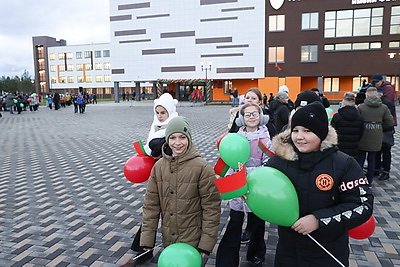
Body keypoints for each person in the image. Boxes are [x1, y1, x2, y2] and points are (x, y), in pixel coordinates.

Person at [266, 102, 374, 266]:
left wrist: (319, 220)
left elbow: (362, 205)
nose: (299, 136)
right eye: (295, 130)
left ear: (321, 133)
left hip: (327, 253)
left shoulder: (344, 164)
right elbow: (264, 190)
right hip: (288, 252)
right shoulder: (279, 162)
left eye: (307, 131)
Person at [140, 116, 222, 265]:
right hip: (169, 239)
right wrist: (147, 240)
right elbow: (151, 206)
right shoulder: (159, 167)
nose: (177, 143)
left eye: (182, 137)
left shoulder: (202, 168)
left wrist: (205, 245)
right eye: (172, 138)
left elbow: (212, 209)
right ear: (167, 140)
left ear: (189, 139)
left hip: (193, 242)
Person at [216, 103, 272, 267]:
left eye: (255, 113)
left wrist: (251, 173)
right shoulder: (236, 137)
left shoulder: (265, 139)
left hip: (256, 186)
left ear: (260, 116)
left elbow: (269, 163)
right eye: (247, 114)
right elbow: (228, 160)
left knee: (257, 222)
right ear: (242, 118)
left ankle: (256, 254)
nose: (252, 117)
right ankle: (227, 258)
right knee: (234, 221)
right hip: (238, 184)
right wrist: (230, 175)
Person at [357, 87, 393, 183]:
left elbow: (357, 122)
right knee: (372, 159)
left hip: (363, 136)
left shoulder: (361, 107)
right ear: (377, 95)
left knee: (361, 158)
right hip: (377, 135)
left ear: (367, 95)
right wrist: (380, 126)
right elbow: (390, 122)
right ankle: (369, 179)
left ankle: (359, 179)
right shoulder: (383, 107)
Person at [144, 93, 179, 158]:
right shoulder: (155, 122)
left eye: (163, 113)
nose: (159, 116)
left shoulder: (176, 123)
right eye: (157, 113)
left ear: (169, 112)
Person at [331, 92, 364, 159]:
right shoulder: (360, 118)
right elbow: (361, 132)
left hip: (339, 146)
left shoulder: (337, 117)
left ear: (344, 104)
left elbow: (332, 131)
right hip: (354, 146)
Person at [374, 88, 396, 180]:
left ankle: (386, 171)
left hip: (386, 131)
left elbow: (389, 120)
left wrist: (379, 125)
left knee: (386, 152)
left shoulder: (387, 104)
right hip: (378, 131)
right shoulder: (379, 103)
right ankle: (376, 168)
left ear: (379, 95)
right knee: (377, 151)